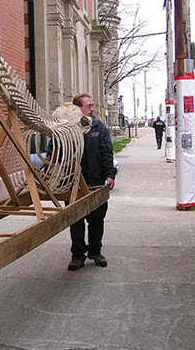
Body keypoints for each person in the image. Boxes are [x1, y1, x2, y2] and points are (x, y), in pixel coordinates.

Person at [68, 93, 117, 270]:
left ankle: (95, 251)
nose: (92, 109)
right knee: (76, 221)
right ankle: (77, 256)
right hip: (73, 184)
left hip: (95, 181)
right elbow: (56, 151)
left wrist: (110, 174)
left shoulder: (98, 127)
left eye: (93, 105)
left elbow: (107, 152)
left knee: (97, 219)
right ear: (77, 108)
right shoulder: (67, 129)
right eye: (89, 106)